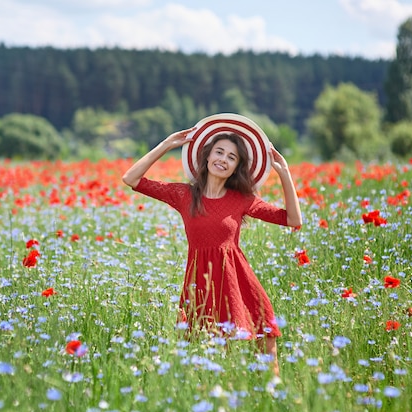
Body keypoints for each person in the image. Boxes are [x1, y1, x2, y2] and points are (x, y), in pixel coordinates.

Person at [122, 127, 302, 376]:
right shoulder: (183, 195)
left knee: (265, 334)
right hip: (200, 283)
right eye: (219, 152)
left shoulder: (242, 200)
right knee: (204, 350)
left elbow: (293, 220)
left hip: (235, 280)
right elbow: (131, 179)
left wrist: (284, 174)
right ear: (206, 157)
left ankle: (271, 393)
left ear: (236, 167)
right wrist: (166, 144)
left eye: (231, 157)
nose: (223, 159)